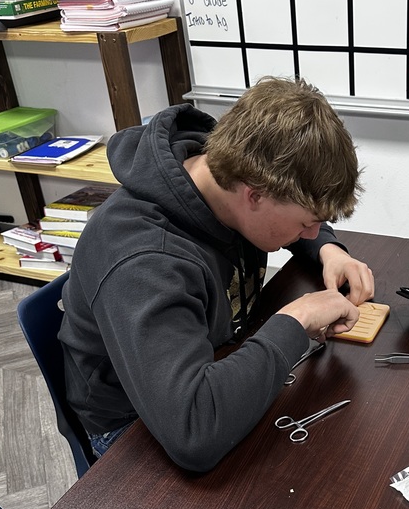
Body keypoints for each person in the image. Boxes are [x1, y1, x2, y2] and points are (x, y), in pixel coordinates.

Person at [59, 76, 375, 472]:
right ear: (254, 195)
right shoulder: (142, 261)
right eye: (307, 223)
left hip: (210, 354)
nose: (310, 232)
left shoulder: (224, 167)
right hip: (135, 425)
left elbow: (282, 217)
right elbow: (194, 431)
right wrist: (298, 320)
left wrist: (327, 249)